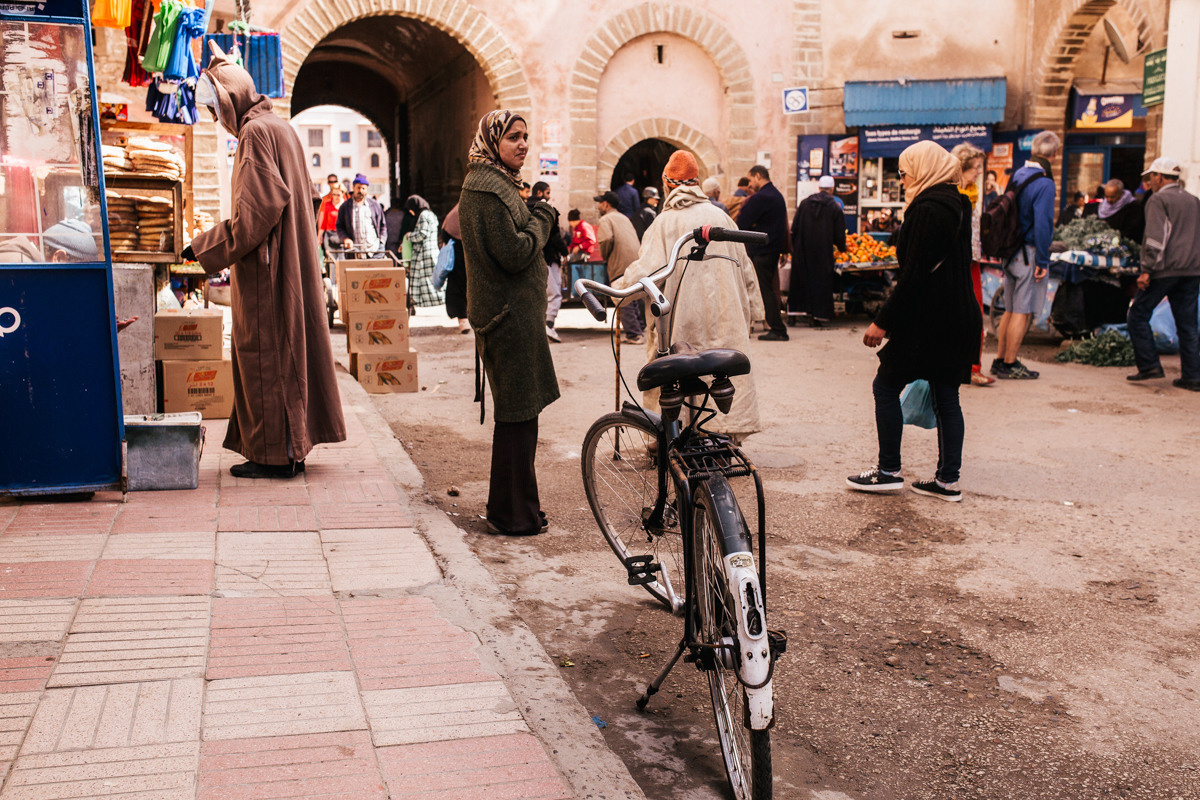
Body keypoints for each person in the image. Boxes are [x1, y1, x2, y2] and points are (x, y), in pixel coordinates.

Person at [185, 43, 346, 478]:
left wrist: (201, 247)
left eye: (218, 108)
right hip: (288, 260)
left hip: (269, 268)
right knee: (288, 349)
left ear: (232, 99)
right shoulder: (282, 128)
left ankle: (275, 455)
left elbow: (255, 216)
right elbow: (301, 198)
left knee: (266, 352)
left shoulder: (255, 134)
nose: (218, 119)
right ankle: (289, 447)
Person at [847, 141, 980, 501]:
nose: (902, 178)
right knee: (946, 396)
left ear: (922, 169)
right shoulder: (958, 202)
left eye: (905, 171)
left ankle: (888, 470)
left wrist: (882, 321)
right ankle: (947, 481)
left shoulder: (927, 208)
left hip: (930, 318)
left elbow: (915, 275)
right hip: (959, 314)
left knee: (886, 385)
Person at [611, 149, 764, 442]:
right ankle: (722, 440)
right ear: (696, 183)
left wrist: (618, 292)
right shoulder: (721, 217)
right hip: (725, 317)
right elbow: (746, 268)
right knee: (720, 375)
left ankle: (673, 441)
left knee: (677, 379)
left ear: (667, 184)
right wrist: (756, 311)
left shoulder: (665, 223)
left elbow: (647, 271)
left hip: (681, 322)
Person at [458, 109, 560, 536]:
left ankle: (521, 510)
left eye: (525, 137)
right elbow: (515, 252)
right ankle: (511, 515)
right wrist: (543, 217)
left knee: (522, 417)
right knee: (518, 418)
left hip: (511, 316)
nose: (522, 144)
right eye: (514, 137)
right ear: (492, 141)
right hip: (508, 319)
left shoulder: (497, 184)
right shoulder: (488, 189)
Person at [1126, 157, 1200, 391]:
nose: (1149, 182)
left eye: (1150, 177)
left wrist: (1147, 270)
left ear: (1159, 176)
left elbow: (1156, 238)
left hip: (1165, 269)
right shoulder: (1194, 200)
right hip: (1191, 271)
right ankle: (1192, 376)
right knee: (1187, 324)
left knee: (1137, 314)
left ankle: (1149, 365)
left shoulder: (1158, 200)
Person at [992, 130, 1059, 380]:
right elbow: (1044, 225)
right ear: (1054, 154)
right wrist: (1043, 260)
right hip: (1028, 252)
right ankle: (1010, 364)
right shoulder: (1044, 182)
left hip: (1009, 251)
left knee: (1009, 308)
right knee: (1022, 310)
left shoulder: (1018, 175)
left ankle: (1000, 359)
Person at [950, 142, 995, 387]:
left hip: (972, 260)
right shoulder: (953, 195)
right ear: (962, 168)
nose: (980, 172)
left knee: (974, 315)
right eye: (976, 167)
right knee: (964, 314)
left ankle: (971, 366)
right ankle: (961, 366)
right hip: (959, 261)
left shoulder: (973, 193)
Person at [737, 164, 790, 341]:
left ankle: (777, 329)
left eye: (751, 179)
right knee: (768, 288)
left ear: (758, 176)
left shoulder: (762, 197)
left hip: (762, 250)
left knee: (764, 289)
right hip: (772, 248)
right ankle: (776, 326)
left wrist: (753, 225)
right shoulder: (776, 195)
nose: (750, 184)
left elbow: (742, 222)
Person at [788, 174, 846, 326]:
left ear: (819, 187)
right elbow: (840, 234)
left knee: (800, 281)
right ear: (832, 189)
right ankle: (817, 316)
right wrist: (842, 249)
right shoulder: (834, 207)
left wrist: (793, 248)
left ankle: (794, 314)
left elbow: (794, 228)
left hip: (802, 250)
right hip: (822, 252)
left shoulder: (804, 204)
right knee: (820, 283)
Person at [593, 190, 644, 344]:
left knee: (622, 297)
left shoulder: (606, 219)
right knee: (632, 295)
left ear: (606, 205)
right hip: (634, 261)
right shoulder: (624, 218)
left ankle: (634, 334)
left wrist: (605, 255)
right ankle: (639, 328)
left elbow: (606, 239)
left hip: (619, 261)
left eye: (600, 203)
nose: (598, 206)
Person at [529, 181, 569, 342]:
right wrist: (564, 252)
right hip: (548, 258)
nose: (549, 195)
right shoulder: (546, 211)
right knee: (555, 294)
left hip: (531, 258)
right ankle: (549, 325)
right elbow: (555, 236)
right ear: (539, 193)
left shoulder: (522, 208)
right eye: (547, 192)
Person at [402, 195, 444, 309]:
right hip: (431, 251)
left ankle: (431, 301)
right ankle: (431, 300)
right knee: (431, 279)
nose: (411, 212)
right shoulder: (431, 214)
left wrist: (409, 236)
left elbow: (422, 234)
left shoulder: (423, 215)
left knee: (426, 280)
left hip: (424, 254)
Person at [336, 173, 386, 257]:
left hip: (374, 250)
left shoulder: (375, 205)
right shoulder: (345, 207)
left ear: (367, 189)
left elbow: (383, 225)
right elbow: (339, 226)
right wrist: (345, 238)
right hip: (354, 251)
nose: (361, 191)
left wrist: (382, 241)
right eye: (358, 188)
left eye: (363, 188)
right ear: (353, 188)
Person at [441, 203, 470, 334]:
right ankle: (463, 319)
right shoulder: (465, 209)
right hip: (459, 250)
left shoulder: (459, 209)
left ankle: (464, 319)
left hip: (462, 248)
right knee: (462, 283)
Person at [1098, 178, 1145, 243]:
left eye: (1112, 197)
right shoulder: (1103, 206)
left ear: (1121, 193)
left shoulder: (1134, 207)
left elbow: (1132, 232)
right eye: (1107, 196)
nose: (1109, 200)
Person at [315, 181, 344, 259]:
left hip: (341, 235)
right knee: (331, 261)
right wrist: (319, 237)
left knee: (342, 260)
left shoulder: (345, 206)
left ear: (342, 194)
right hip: (329, 235)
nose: (336, 197)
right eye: (334, 194)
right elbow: (323, 223)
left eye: (338, 195)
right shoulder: (327, 204)